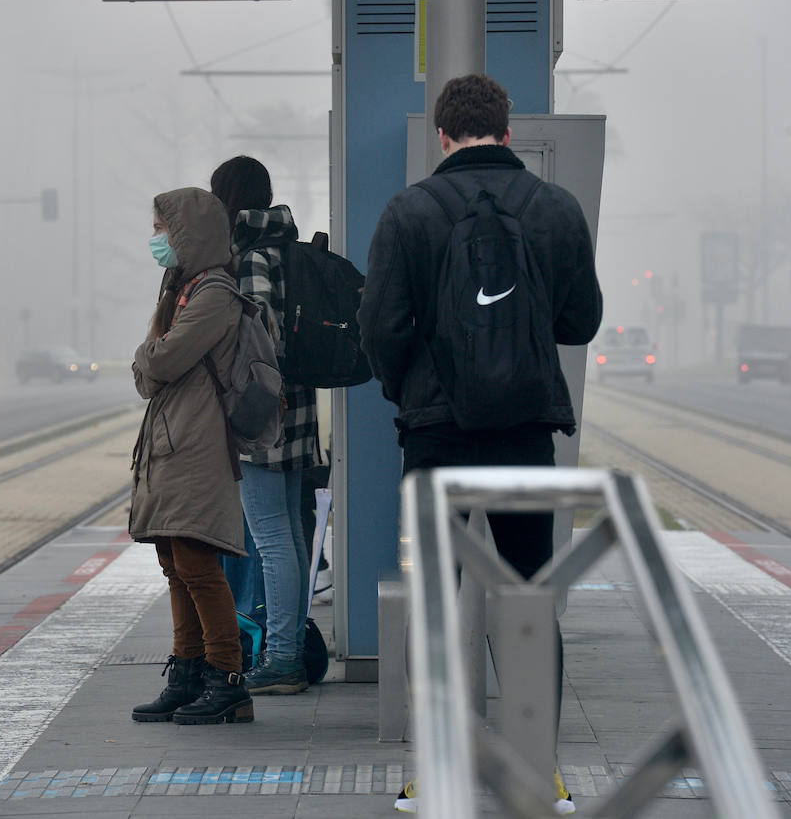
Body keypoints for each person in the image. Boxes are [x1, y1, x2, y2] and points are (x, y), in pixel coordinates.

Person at [358, 74, 602, 814]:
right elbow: (580, 319)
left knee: (436, 602)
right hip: (525, 433)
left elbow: (381, 327)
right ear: (505, 129)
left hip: (436, 439)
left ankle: (434, 772)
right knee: (527, 598)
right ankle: (538, 773)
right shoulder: (554, 208)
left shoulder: (409, 211)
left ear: (442, 134)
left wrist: (413, 392)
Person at [129, 187, 254, 726]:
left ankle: (226, 678)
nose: (156, 239)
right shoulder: (183, 289)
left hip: (199, 442)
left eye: (162, 229)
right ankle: (187, 669)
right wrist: (150, 359)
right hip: (174, 437)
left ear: (187, 236)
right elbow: (153, 367)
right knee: (176, 562)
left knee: (199, 564)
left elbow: (162, 359)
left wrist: (146, 354)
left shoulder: (215, 294)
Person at [210, 155, 319, 695]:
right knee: (292, 536)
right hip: (297, 408)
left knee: (273, 537)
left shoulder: (250, 257)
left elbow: (258, 346)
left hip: (263, 415)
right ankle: (289, 648)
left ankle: (281, 658)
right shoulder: (286, 244)